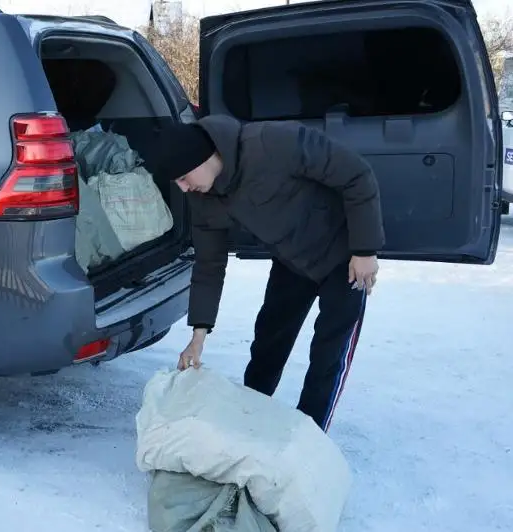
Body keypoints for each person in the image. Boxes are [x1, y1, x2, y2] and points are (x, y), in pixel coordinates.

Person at [150, 115, 384, 432]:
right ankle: (251, 418)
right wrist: (198, 335)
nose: (184, 187)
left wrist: (364, 249)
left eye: (183, 177)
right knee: (267, 343)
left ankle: (310, 436)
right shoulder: (204, 198)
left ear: (204, 157)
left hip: (345, 259)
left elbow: (357, 174)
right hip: (293, 260)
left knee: (327, 357)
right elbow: (209, 265)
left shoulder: (274, 143)